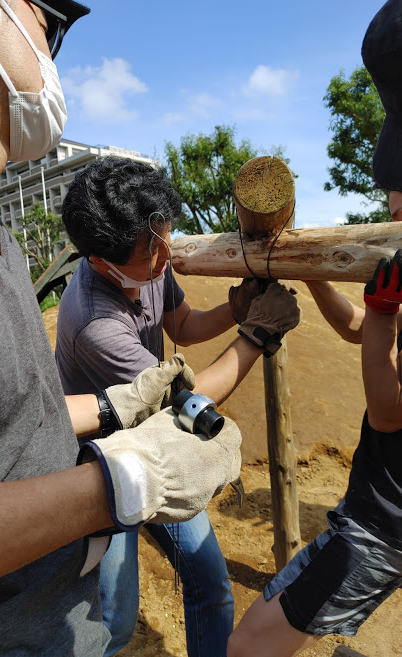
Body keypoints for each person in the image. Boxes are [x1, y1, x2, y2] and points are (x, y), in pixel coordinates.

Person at [0, 2, 245, 655]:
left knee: (114, 610)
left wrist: (112, 404)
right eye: (49, 22)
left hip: (59, 617)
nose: (51, 57)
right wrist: (118, 484)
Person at [55, 156, 302, 656]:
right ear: (100, 262)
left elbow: (183, 325)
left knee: (210, 582)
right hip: (105, 464)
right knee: (116, 622)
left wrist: (234, 310)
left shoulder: (149, 255)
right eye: (153, 258)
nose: (164, 261)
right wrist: (255, 334)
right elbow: (184, 401)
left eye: (166, 244)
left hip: (158, 440)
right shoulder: (95, 324)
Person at [227, 2, 402, 655]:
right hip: (381, 509)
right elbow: (359, 331)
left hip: (383, 525)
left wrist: (384, 313)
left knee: (248, 645)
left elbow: (387, 408)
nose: (388, 197)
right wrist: (319, 277)